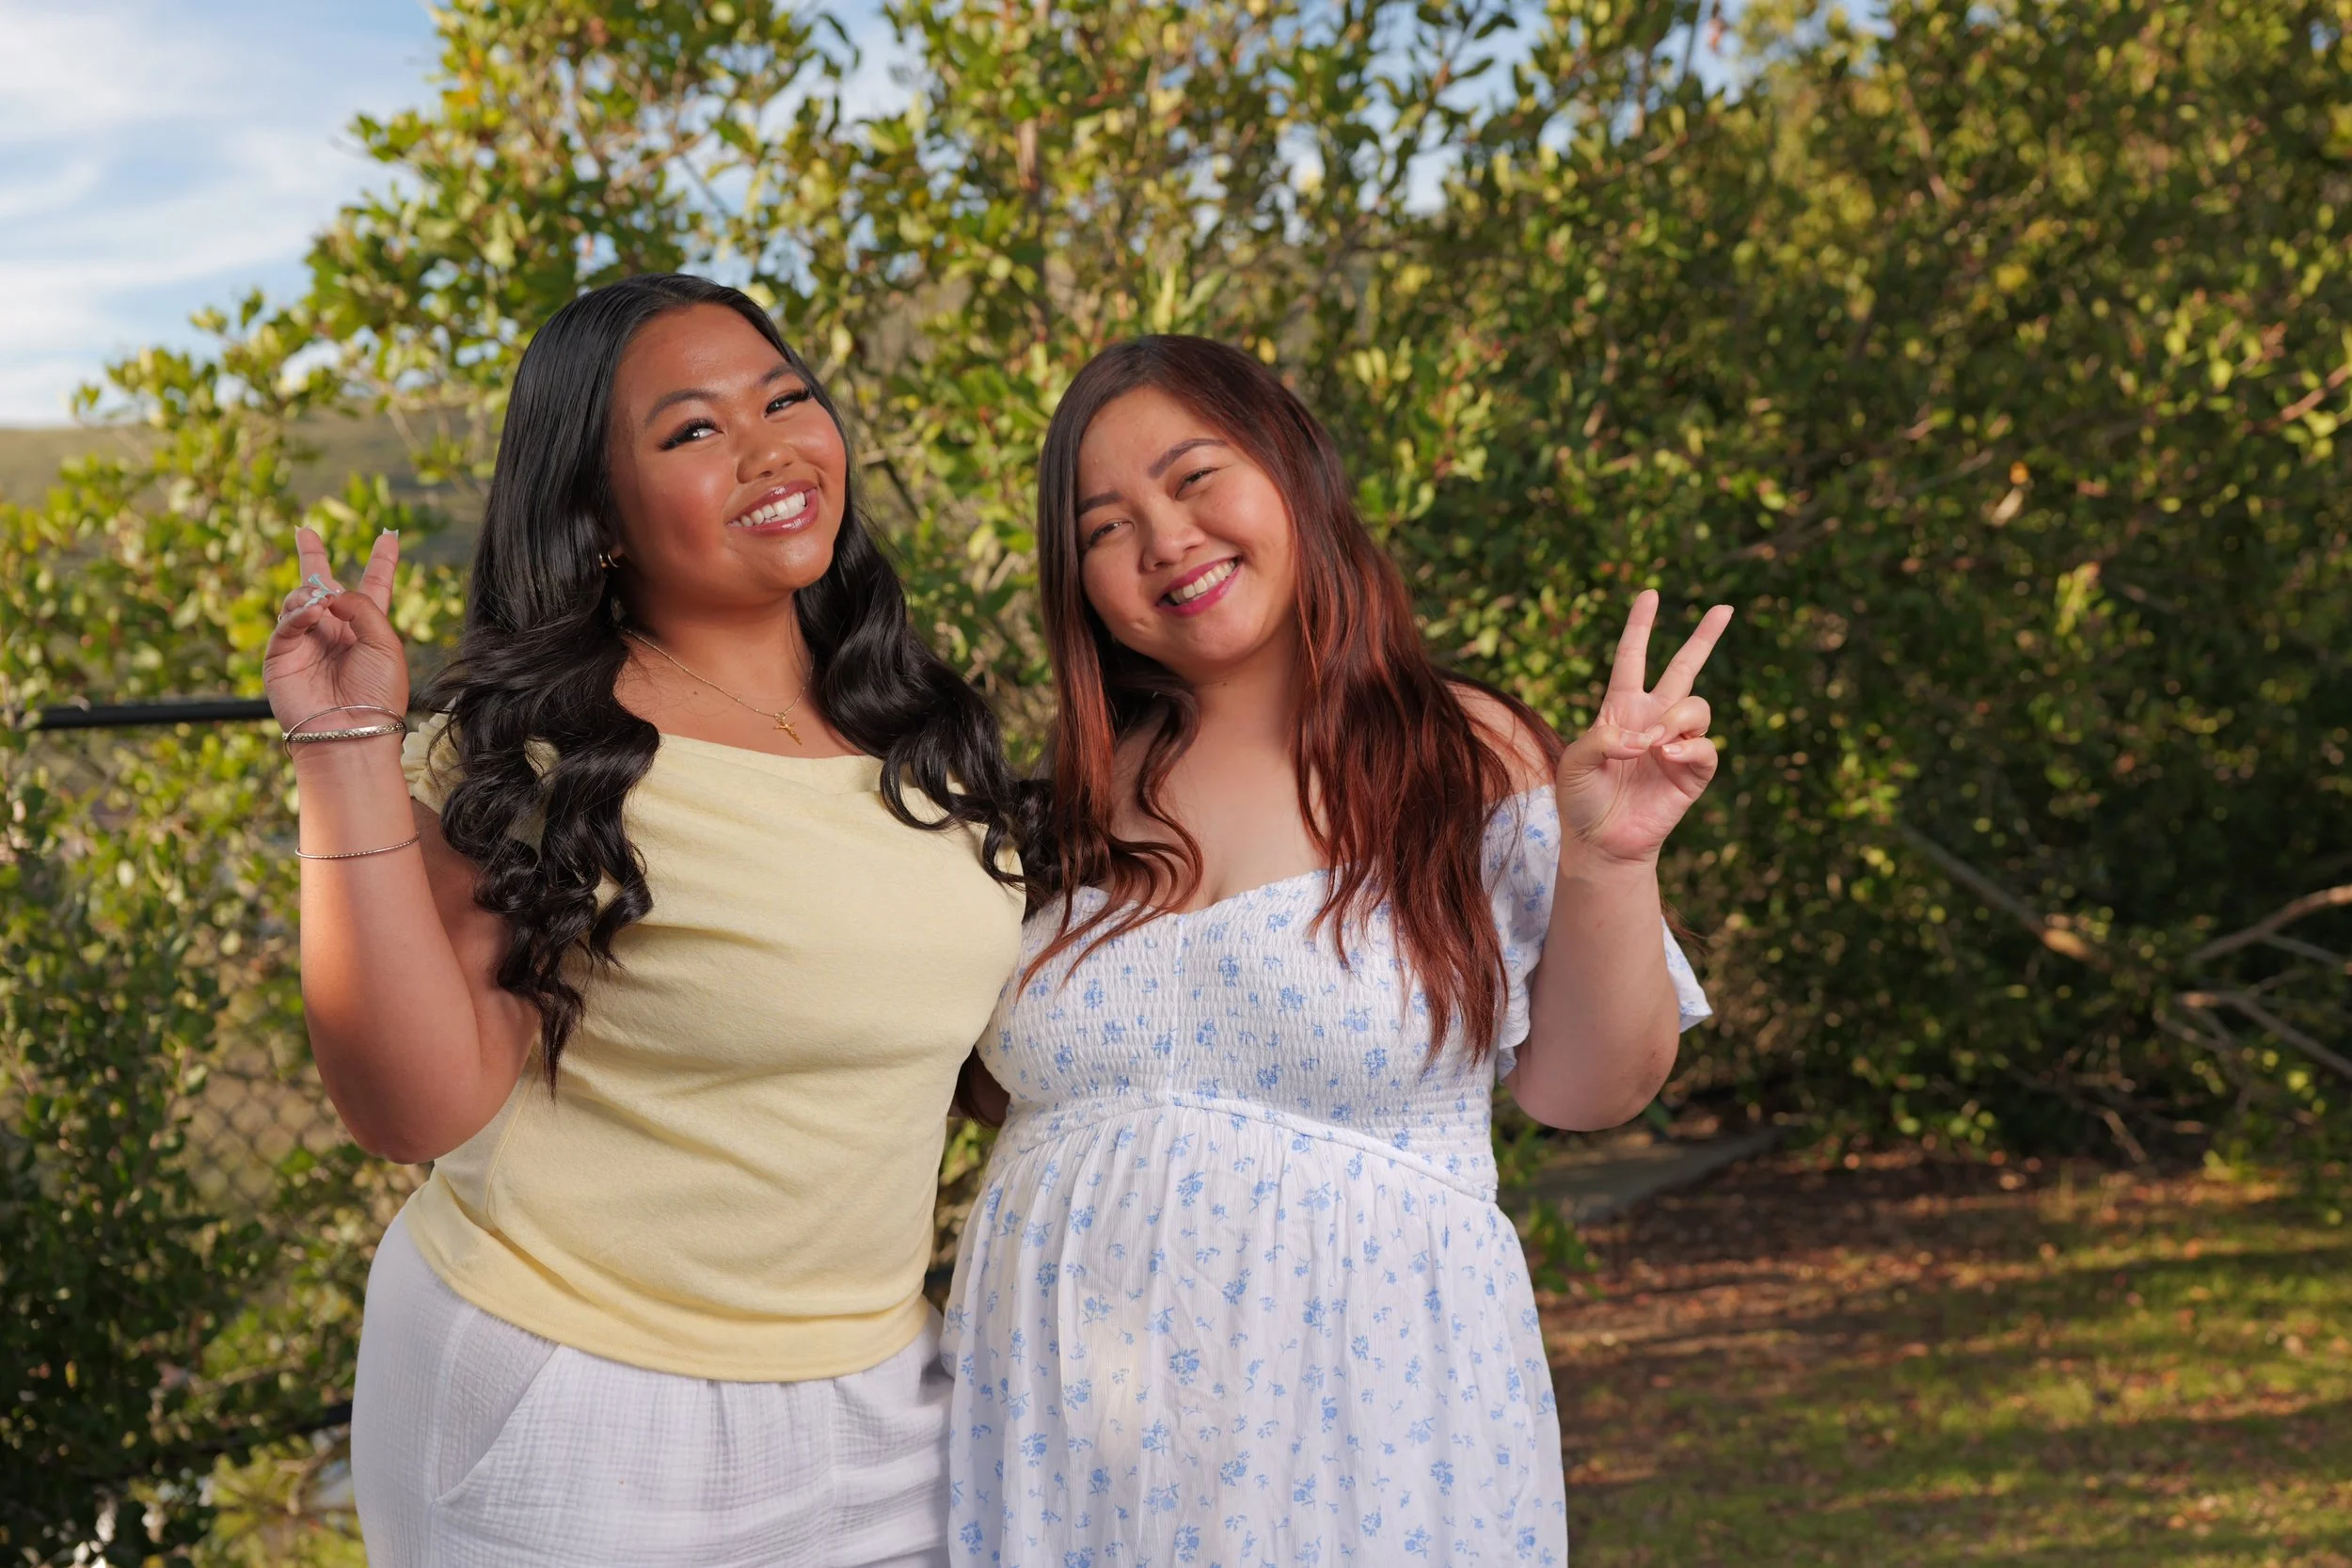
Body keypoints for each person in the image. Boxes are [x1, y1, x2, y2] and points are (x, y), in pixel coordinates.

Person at [263, 274, 1029, 1566]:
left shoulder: (921, 725)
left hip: (883, 1396)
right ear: (599, 515)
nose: (770, 446)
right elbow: (411, 1105)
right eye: (693, 431)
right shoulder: (549, 751)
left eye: (786, 398)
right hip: (570, 1404)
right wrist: (345, 748)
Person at [943, 336, 1726, 1564]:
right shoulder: (1062, 806)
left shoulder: (1461, 749)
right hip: (1058, 1441)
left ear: (1295, 470)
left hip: (1366, 1432)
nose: (1165, 537)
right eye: (1106, 526)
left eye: (1196, 475)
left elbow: (1590, 1086)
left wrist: (1613, 860)